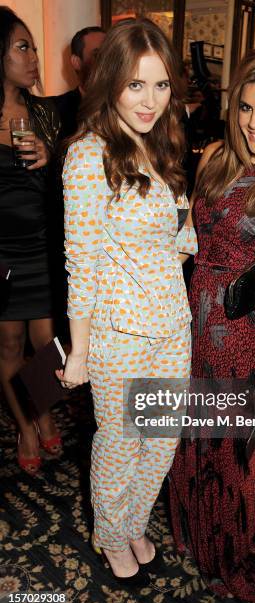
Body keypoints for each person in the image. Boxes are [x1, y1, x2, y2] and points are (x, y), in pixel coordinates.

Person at [169, 46, 255, 602]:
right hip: (193, 322)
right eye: (248, 108)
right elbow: (186, 240)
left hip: (242, 340)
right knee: (197, 439)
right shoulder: (215, 159)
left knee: (239, 456)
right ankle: (202, 536)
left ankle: (239, 561)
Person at [57, 18, 197, 584]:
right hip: (118, 334)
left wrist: (156, 269)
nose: (149, 100)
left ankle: (133, 520)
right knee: (120, 442)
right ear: (110, 79)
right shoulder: (89, 156)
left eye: (161, 85)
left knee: (161, 442)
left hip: (172, 324)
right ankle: (112, 534)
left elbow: (180, 240)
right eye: (136, 85)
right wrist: (82, 351)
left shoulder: (162, 146)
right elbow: (81, 262)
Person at [0, 7, 61, 475]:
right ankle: (25, 425)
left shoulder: (44, 114)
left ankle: (43, 412)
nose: (33, 57)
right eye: (23, 47)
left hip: (40, 248)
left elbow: (68, 188)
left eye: (34, 47)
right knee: (9, 344)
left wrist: (49, 156)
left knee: (46, 345)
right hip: (1, 254)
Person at [51, 26, 105, 140]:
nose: (106, 62)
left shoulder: (128, 105)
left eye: (110, 55)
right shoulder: (55, 110)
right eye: (98, 55)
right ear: (76, 62)